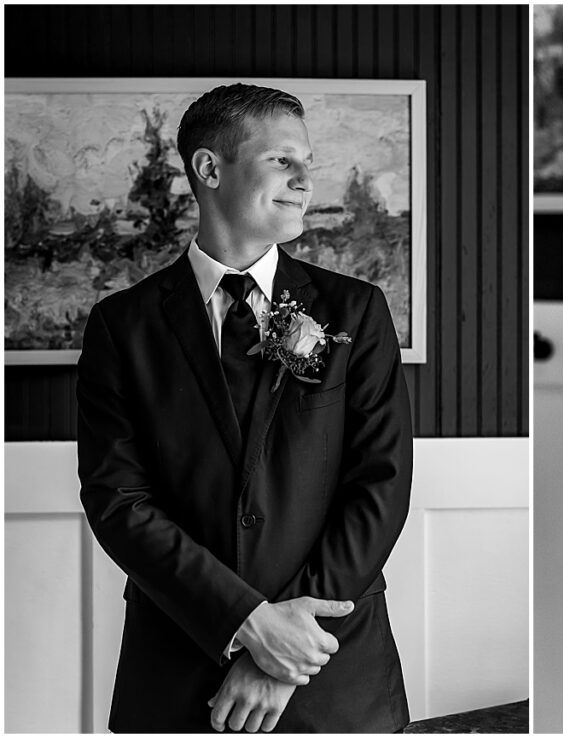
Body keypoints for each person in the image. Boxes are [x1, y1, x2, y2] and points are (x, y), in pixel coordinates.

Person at [78, 83, 413, 733]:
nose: (305, 181)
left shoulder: (356, 311)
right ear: (209, 169)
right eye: (283, 160)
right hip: (179, 663)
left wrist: (284, 654)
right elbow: (117, 498)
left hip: (333, 666)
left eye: (308, 164)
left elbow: (381, 482)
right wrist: (246, 624)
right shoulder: (122, 326)